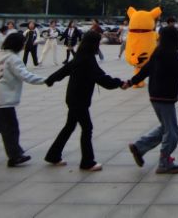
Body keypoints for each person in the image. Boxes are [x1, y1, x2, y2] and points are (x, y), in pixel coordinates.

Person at [127, 26, 178, 174]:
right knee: (172, 132)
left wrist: (131, 82)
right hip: (164, 96)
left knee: (165, 127)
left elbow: (146, 69)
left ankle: (139, 147)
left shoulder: (158, 51)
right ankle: (164, 163)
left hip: (155, 96)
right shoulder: (171, 53)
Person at [44, 31, 124, 171]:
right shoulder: (88, 59)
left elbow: (65, 70)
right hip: (79, 100)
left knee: (70, 126)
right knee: (87, 128)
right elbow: (101, 78)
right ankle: (87, 162)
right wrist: (120, 83)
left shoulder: (80, 56)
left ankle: (53, 155)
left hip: (73, 97)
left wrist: (51, 79)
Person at [0, 32, 46, 167]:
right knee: (11, 128)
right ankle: (15, 155)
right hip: (5, 99)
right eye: (23, 43)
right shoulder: (13, 59)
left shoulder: (1, 57)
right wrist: (47, 80)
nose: (24, 45)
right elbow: (25, 75)